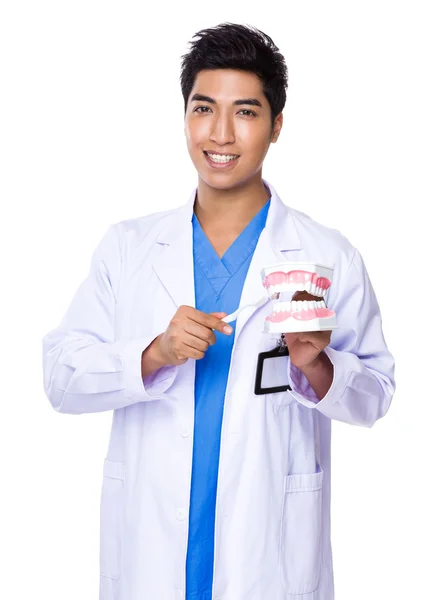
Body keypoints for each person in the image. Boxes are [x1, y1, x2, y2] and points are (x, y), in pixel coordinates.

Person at [42, 22, 396, 600]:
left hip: (268, 557)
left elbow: (376, 394)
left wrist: (318, 365)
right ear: (185, 116)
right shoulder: (129, 247)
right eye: (204, 108)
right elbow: (61, 377)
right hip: (148, 550)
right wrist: (153, 354)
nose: (221, 133)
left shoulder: (328, 255)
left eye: (247, 112)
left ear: (277, 126)